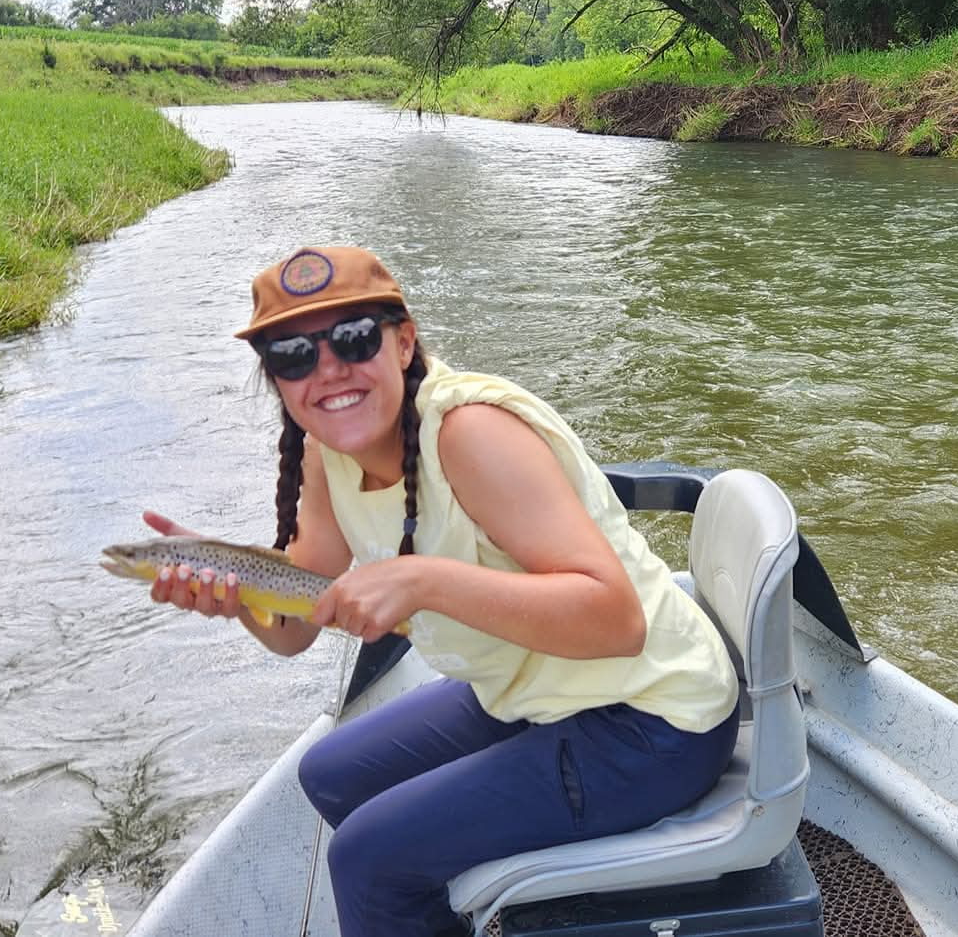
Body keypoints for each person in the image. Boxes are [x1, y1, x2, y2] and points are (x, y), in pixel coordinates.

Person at [142, 246, 741, 936]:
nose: (328, 369)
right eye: (293, 355)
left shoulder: (469, 433)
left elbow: (616, 623)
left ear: (403, 343)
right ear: (277, 380)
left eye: (354, 338)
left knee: (368, 858)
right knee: (332, 776)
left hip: (655, 718)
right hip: (538, 690)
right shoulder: (326, 453)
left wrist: (424, 580)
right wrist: (238, 589)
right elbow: (296, 626)